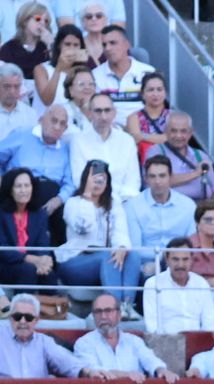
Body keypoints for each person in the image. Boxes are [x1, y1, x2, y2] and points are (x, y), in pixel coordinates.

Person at [58, 159, 142, 314]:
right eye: (94, 180)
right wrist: (87, 196)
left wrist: (122, 248)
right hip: (74, 261)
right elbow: (83, 226)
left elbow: (120, 232)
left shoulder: (113, 203)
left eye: (101, 180)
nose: (97, 184)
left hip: (103, 260)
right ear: (86, 180)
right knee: (107, 256)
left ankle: (127, 306)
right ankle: (114, 307)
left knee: (132, 255)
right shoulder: (73, 203)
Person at [0, 103, 74, 241]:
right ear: (41, 119)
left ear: (66, 128)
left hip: (52, 198)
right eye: (53, 120)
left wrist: (58, 200)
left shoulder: (65, 148)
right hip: (20, 190)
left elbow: (70, 182)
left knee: (67, 212)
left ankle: (55, 259)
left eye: (62, 123)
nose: (57, 127)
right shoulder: (22, 134)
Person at [73, 293, 177, 381]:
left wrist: (161, 370)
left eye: (108, 311)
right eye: (98, 312)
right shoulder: (83, 343)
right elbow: (94, 371)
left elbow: (150, 359)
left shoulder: (134, 341)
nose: (103, 316)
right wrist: (126, 375)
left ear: (119, 314)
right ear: (93, 316)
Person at [125, 153, 196, 280]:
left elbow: (191, 244)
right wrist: (161, 259)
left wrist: (168, 258)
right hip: (146, 265)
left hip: (180, 263)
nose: (157, 181)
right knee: (148, 272)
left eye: (162, 176)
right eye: (153, 176)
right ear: (146, 179)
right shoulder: (133, 206)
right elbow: (135, 249)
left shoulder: (188, 206)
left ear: (171, 177)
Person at [0, 293, 104, 378]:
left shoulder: (44, 342)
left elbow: (66, 362)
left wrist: (88, 372)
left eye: (28, 317)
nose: (22, 321)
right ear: (10, 318)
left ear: (36, 320)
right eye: (17, 316)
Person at [67, 91, 137, 201]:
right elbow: (79, 180)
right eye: (98, 111)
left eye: (107, 110)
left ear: (114, 112)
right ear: (90, 113)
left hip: (124, 202)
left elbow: (132, 182)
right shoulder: (78, 141)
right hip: (90, 202)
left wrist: (118, 204)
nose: (103, 116)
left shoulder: (127, 141)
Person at [0, 165, 57, 293]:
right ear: (10, 190)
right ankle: (22, 312)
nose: (23, 190)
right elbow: (2, 248)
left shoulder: (39, 213)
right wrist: (33, 260)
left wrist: (43, 259)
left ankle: (51, 312)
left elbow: (43, 243)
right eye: (18, 186)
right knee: (27, 270)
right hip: (5, 264)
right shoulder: (1, 213)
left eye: (27, 185)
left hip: (30, 262)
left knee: (49, 274)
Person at [142, 237, 214, 333]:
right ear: (167, 260)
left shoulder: (201, 283)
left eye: (185, 259)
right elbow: (152, 326)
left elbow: (209, 323)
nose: (180, 265)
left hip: (196, 342)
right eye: (175, 259)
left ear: (191, 260)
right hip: (165, 343)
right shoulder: (153, 284)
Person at [160, 110, 214, 201]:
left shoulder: (201, 156)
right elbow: (158, 182)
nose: (178, 136)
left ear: (190, 133)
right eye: (174, 131)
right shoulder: (158, 152)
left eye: (183, 131)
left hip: (201, 209)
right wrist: (195, 173)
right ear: (165, 131)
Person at [1, 4, 54, 88]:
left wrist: (51, 45)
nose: (42, 23)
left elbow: (59, 69)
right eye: (38, 19)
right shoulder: (9, 48)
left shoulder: (47, 46)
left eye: (46, 21)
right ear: (25, 20)